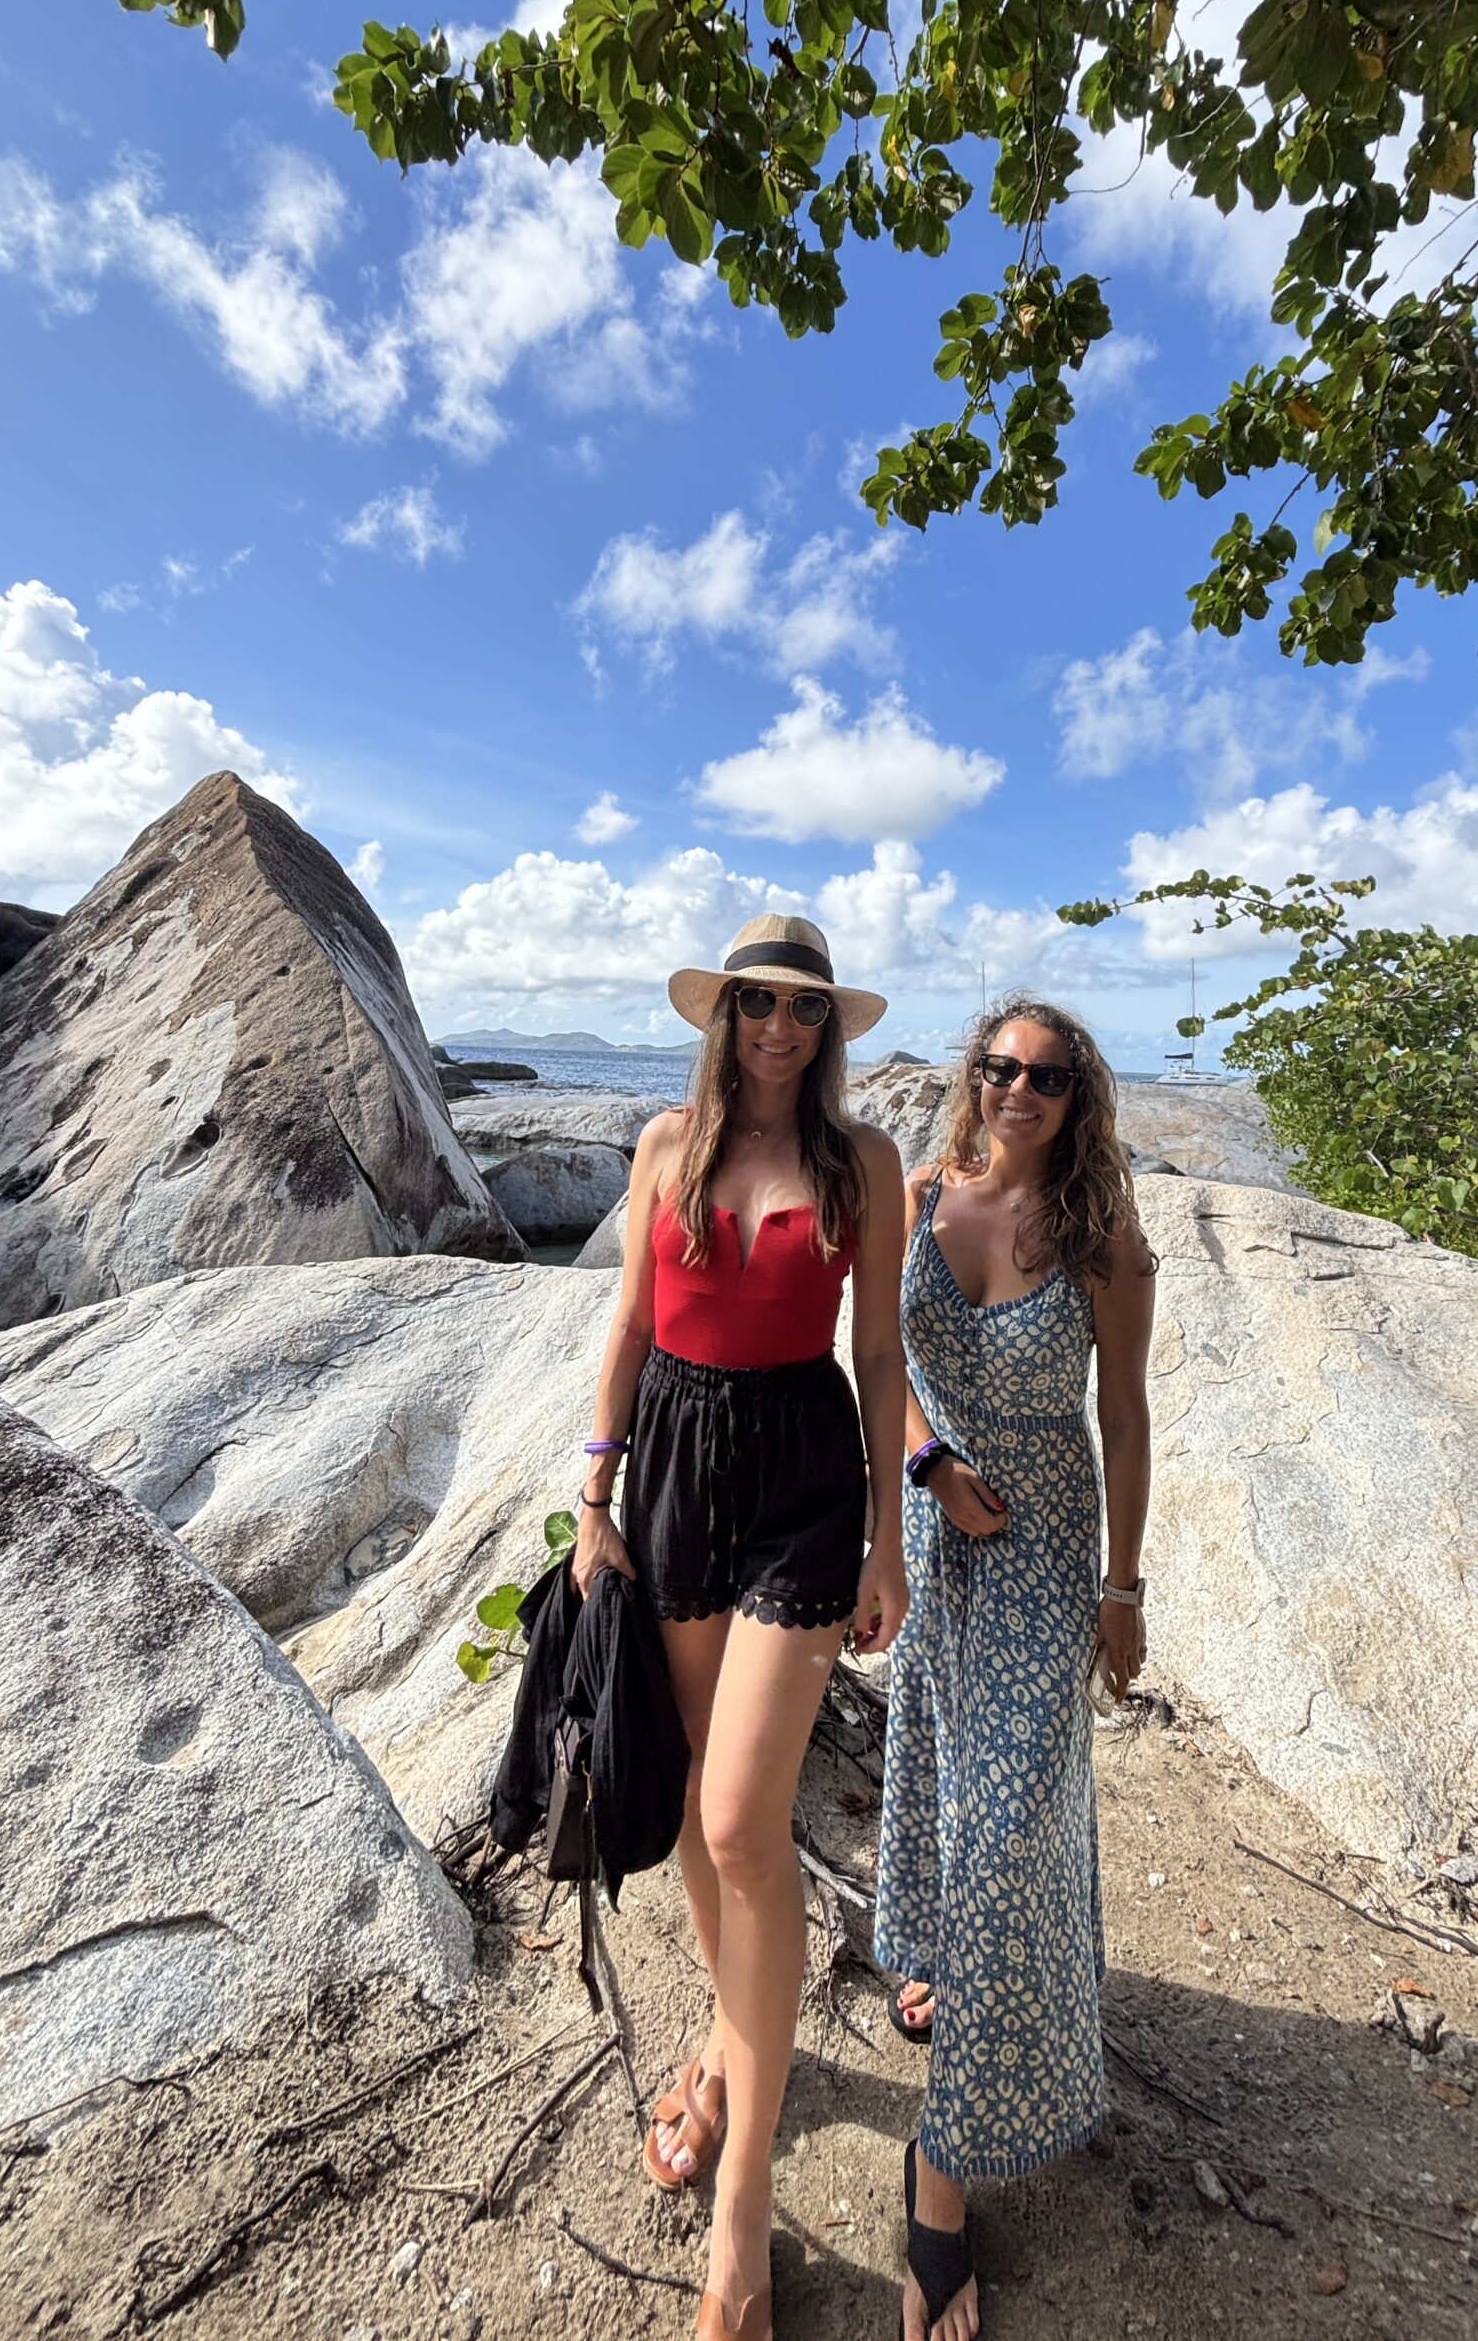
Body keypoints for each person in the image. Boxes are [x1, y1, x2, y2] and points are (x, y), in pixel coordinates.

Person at [573, 913, 909, 2341]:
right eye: (759, 1003)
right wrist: (595, 1487)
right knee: (710, 1799)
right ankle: (727, 2044)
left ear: (830, 1031)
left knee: (737, 1828)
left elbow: (878, 1348)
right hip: (674, 1470)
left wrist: (891, 1531)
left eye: (806, 1011)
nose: (781, 1027)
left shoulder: (864, 1163)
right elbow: (635, 1325)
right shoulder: (668, 1147)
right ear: (726, 1016)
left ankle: (740, 2220)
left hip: (799, 1473)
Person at [874, 996, 1157, 2341]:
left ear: (1078, 1095)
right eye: (999, 1068)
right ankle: (942, 1956)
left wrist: (1124, 1587)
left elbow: (1127, 1415)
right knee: (944, 1763)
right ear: (972, 1076)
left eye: (1046, 1076)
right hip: (941, 1537)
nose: (1018, 1091)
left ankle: (937, 2185)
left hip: (1049, 1555)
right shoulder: (923, 1194)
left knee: (1002, 1827)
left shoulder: (1105, 1235)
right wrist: (927, 1458)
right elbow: (883, 1364)